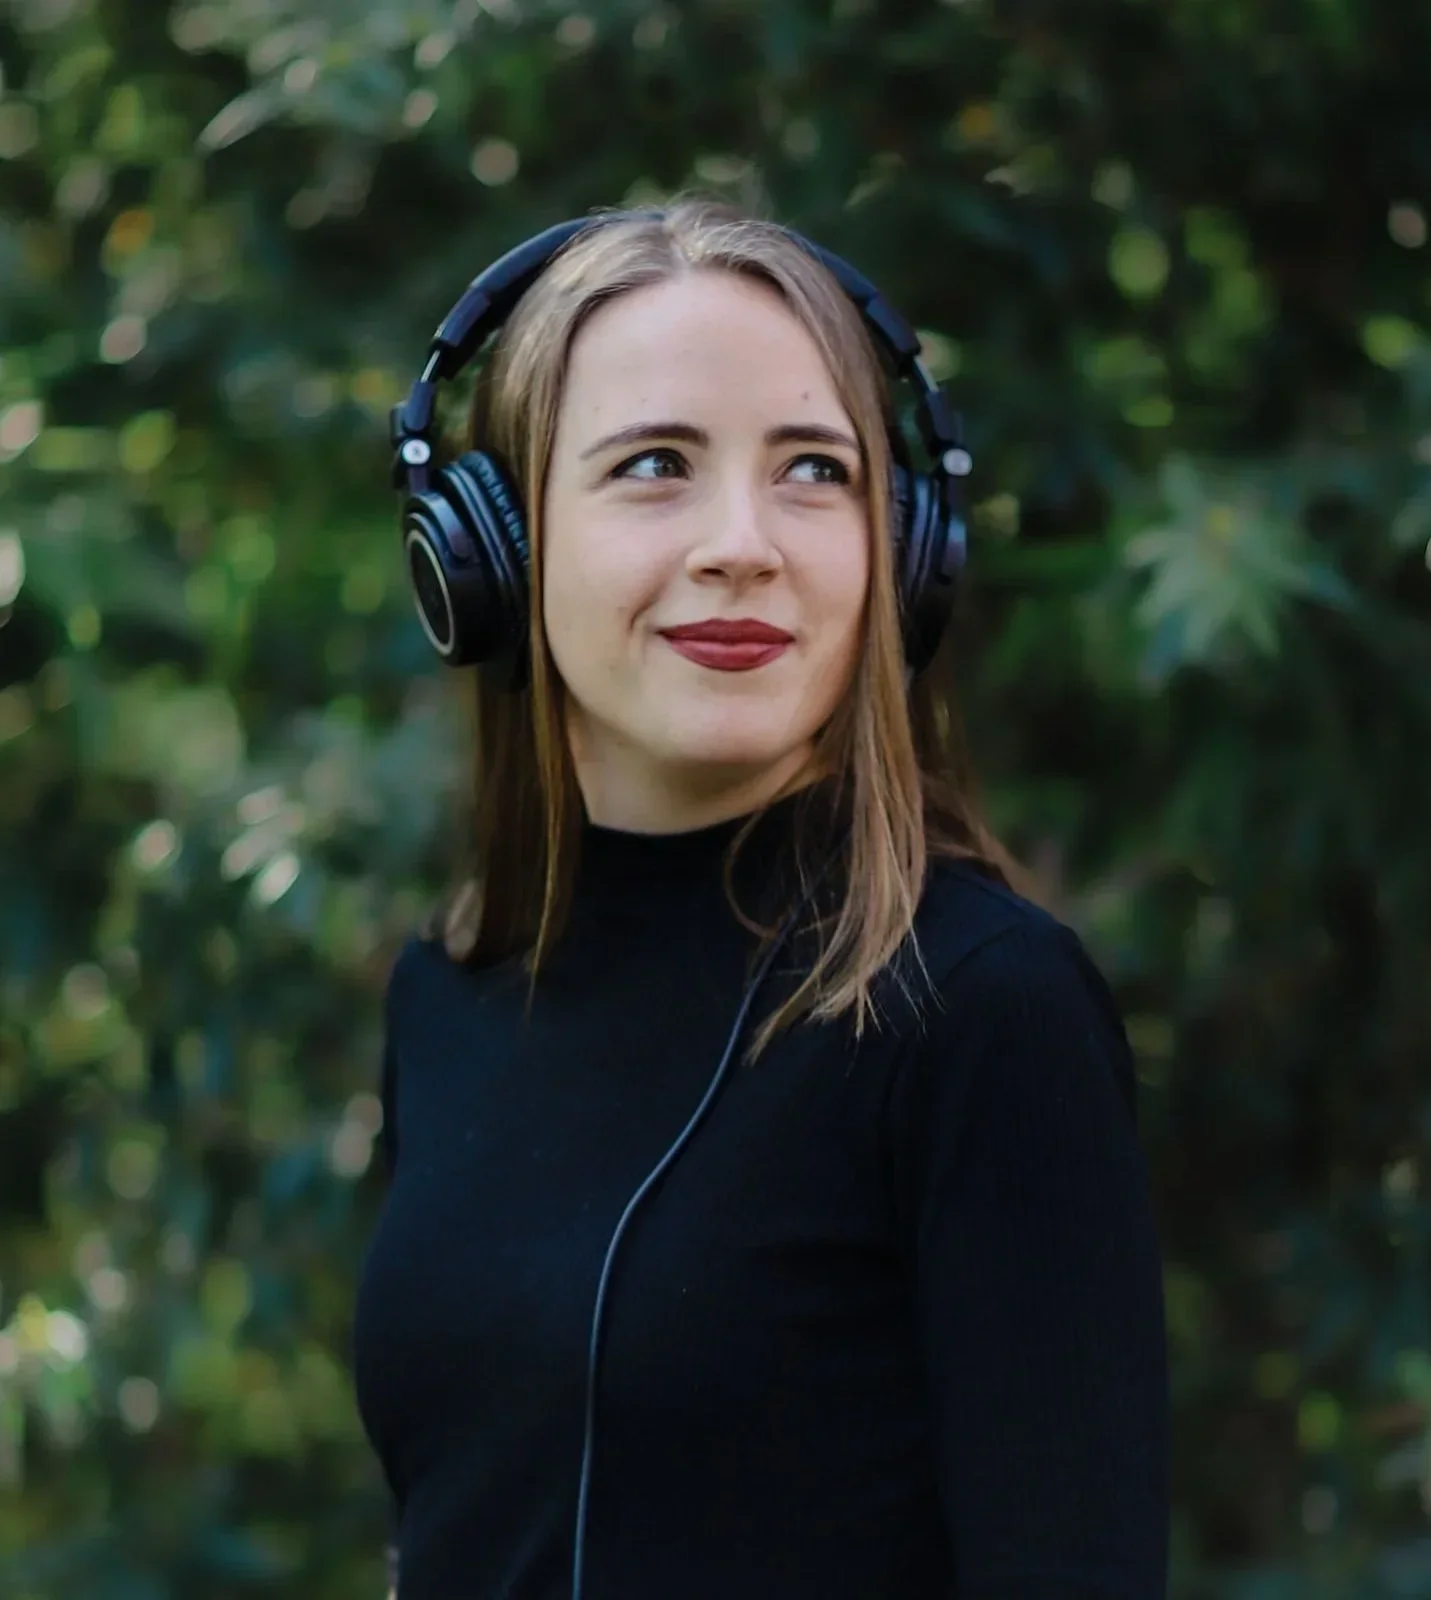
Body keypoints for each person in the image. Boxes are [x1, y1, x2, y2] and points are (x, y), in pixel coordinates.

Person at [351, 195, 1170, 1600]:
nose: (744, 541)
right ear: (493, 549)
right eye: (654, 465)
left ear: (901, 552)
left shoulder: (986, 1014)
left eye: (813, 471)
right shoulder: (452, 992)